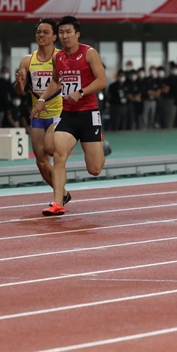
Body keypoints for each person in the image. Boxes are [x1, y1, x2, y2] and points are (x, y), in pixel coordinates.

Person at [31, 16, 110, 216]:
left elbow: (102, 81)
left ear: (77, 34)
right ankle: (58, 203)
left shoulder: (89, 54)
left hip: (89, 114)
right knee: (59, 156)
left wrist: (81, 92)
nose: (65, 37)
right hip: (68, 115)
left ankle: (101, 143)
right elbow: (55, 82)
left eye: (69, 32)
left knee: (95, 169)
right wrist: (42, 100)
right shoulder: (59, 58)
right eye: (62, 33)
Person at [14, 18, 67, 203]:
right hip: (37, 116)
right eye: (39, 32)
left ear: (54, 37)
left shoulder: (60, 57)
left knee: (51, 148)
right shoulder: (28, 60)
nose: (41, 35)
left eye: (46, 32)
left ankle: (59, 194)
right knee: (41, 161)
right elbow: (19, 91)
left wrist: (45, 99)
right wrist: (19, 81)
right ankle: (62, 194)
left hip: (58, 113)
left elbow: (61, 83)